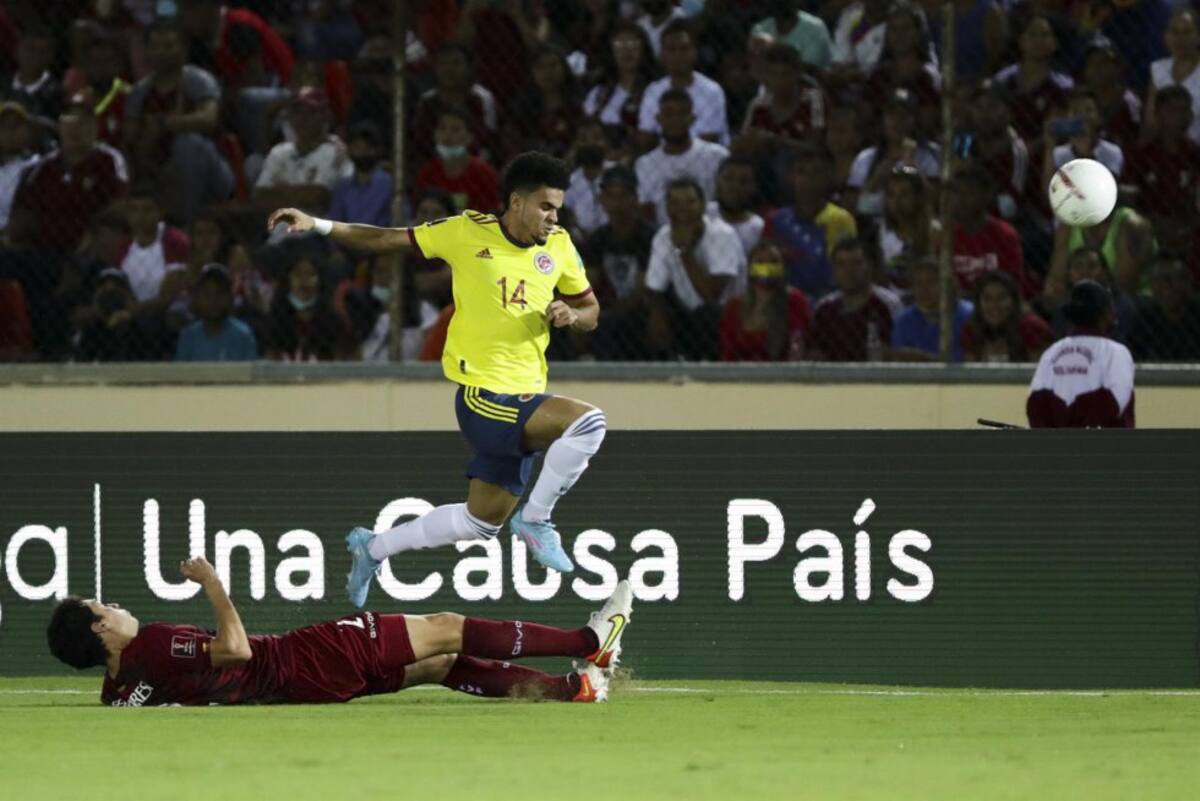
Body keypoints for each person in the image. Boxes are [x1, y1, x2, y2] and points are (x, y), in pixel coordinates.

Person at [268, 152, 604, 605]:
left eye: (557, 208)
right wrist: (320, 224)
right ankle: (537, 521)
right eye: (545, 206)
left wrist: (572, 314)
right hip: (485, 396)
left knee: (480, 523)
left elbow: (592, 311)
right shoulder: (467, 232)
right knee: (588, 423)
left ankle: (373, 546)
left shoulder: (559, 246)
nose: (553, 216)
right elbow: (386, 240)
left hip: (526, 396)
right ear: (517, 202)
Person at [47, 557, 632, 706]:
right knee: (447, 627)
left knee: (435, 666)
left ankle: (571, 691)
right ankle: (589, 643)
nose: (118, 606)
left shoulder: (118, 692)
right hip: (299, 659)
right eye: (106, 606)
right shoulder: (149, 641)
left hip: (300, 689)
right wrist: (213, 584)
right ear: (102, 631)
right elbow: (236, 650)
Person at [123, 20, 234, 225]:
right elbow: (130, 137)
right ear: (146, 51)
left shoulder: (198, 80)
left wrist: (165, 124)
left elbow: (209, 118)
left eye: (168, 46)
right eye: (154, 46)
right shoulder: (140, 92)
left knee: (189, 144)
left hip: (211, 173)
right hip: (158, 173)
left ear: (183, 49)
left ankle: (187, 226)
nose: (161, 52)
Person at [645, 177, 746, 360]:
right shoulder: (663, 236)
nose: (682, 208)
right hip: (687, 313)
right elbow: (654, 289)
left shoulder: (722, 235)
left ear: (703, 206)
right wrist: (657, 314)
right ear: (666, 208)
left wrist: (685, 251)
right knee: (648, 313)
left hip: (728, 315)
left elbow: (711, 295)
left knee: (706, 314)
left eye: (690, 202)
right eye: (674, 202)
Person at [1027, 279, 1135, 428]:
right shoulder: (1117, 352)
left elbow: (1036, 405)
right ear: (1106, 313)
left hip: (1058, 448)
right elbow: (1115, 404)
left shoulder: (1051, 352)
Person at [579, 165, 656, 360]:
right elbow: (588, 283)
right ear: (602, 200)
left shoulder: (649, 238)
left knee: (618, 321)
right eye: (611, 196)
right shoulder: (598, 239)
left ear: (635, 199)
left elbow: (644, 290)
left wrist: (610, 312)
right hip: (606, 309)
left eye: (623, 196)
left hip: (641, 311)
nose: (617, 204)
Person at [764, 144, 857, 299]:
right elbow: (762, 270)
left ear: (828, 178)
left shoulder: (841, 219)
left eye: (815, 173)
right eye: (801, 172)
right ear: (791, 177)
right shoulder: (775, 219)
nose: (807, 180)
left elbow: (843, 272)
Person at [634, 88, 729, 227]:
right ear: (658, 119)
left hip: (711, 232)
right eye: (669, 114)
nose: (675, 120)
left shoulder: (717, 156)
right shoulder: (645, 163)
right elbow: (646, 210)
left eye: (681, 114)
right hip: (665, 235)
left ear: (692, 118)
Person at [253, 87, 351, 215]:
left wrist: (278, 192)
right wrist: (301, 194)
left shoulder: (335, 150)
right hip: (279, 232)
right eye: (297, 111)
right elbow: (259, 196)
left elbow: (318, 196)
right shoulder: (279, 151)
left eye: (311, 112)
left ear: (325, 115)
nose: (303, 118)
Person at [1127, 85, 1200, 254]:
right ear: (1157, 114)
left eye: (1184, 110)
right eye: (1171, 110)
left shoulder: (1196, 155)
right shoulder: (1140, 156)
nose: (1179, 116)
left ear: (1190, 116)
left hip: (1189, 232)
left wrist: (1185, 227)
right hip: (1148, 231)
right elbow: (1129, 204)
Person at [636, 20, 730, 150]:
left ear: (695, 52)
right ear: (662, 55)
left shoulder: (712, 91)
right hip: (662, 158)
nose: (678, 56)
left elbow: (708, 138)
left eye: (684, 49)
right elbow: (645, 137)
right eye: (671, 49)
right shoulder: (653, 90)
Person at [807, 235, 901, 361]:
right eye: (841, 264)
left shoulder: (889, 304)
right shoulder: (823, 309)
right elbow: (814, 355)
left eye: (856, 263)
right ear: (833, 270)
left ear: (870, 266)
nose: (849, 270)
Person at [947, 163, 1031, 299]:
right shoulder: (944, 235)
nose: (960, 200)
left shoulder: (1004, 235)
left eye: (968, 193)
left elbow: (1013, 285)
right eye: (956, 193)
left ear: (986, 196)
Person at [719, 239, 811, 361]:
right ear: (750, 268)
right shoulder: (734, 306)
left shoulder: (796, 301)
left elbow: (798, 344)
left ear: (782, 267)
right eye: (760, 262)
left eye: (773, 262)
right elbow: (727, 353)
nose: (767, 268)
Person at [583, 21, 658, 159]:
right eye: (619, 44)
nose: (626, 51)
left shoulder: (656, 91)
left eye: (633, 44)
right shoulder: (598, 93)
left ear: (644, 49)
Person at [264, 244, 350, 362]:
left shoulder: (334, 321)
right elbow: (270, 360)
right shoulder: (275, 320)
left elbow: (341, 359)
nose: (304, 280)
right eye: (298, 274)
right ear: (287, 280)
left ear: (320, 281)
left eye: (311, 274)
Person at [413, 107, 501, 214]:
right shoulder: (428, 173)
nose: (447, 135)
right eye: (442, 128)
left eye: (455, 129)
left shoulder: (484, 174)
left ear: (469, 137)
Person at [890, 257, 972, 362]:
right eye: (918, 283)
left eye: (930, 282)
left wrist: (926, 358)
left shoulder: (967, 314)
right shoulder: (904, 320)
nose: (924, 289)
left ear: (945, 284)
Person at [961, 270, 1052, 363]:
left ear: (1014, 301)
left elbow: (1039, 372)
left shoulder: (1032, 327)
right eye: (987, 298)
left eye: (1002, 298)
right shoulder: (973, 328)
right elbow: (971, 373)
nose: (994, 305)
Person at [175, 263, 258, 361]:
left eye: (220, 293)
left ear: (230, 298)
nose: (213, 300)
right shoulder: (188, 337)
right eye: (207, 294)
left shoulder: (242, 336)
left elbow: (249, 373)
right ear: (197, 298)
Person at [877, 166, 941, 289]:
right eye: (892, 194)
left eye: (904, 194)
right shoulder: (878, 230)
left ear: (918, 197)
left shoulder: (934, 231)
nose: (897, 201)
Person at [1128, 254, 1200, 361]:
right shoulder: (1146, 319)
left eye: (1172, 279)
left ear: (1187, 282)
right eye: (1158, 279)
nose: (1166, 286)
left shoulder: (1196, 315)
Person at [1147, 8, 1200, 145]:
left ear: (1198, 36)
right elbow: (1150, 119)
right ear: (1166, 36)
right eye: (1175, 32)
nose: (1180, 39)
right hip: (1163, 150)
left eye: (1186, 32)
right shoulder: (1158, 68)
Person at [329, 121, 393, 229]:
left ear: (377, 150)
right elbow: (336, 221)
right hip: (348, 241)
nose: (363, 152)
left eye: (368, 147)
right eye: (357, 146)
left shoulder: (389, 184)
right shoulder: (342, 186)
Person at [748, 0, 832, 70]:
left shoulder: (815, 27)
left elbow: (810, 68)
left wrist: (774, 48)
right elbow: (756, 67)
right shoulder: (761, 28)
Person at [707, 157, 763, 256]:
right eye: (729, 179)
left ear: (754, 187)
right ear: (717, 182)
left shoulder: (759, 228)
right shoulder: (702, 214)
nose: (735, 187)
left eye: (744, 181)